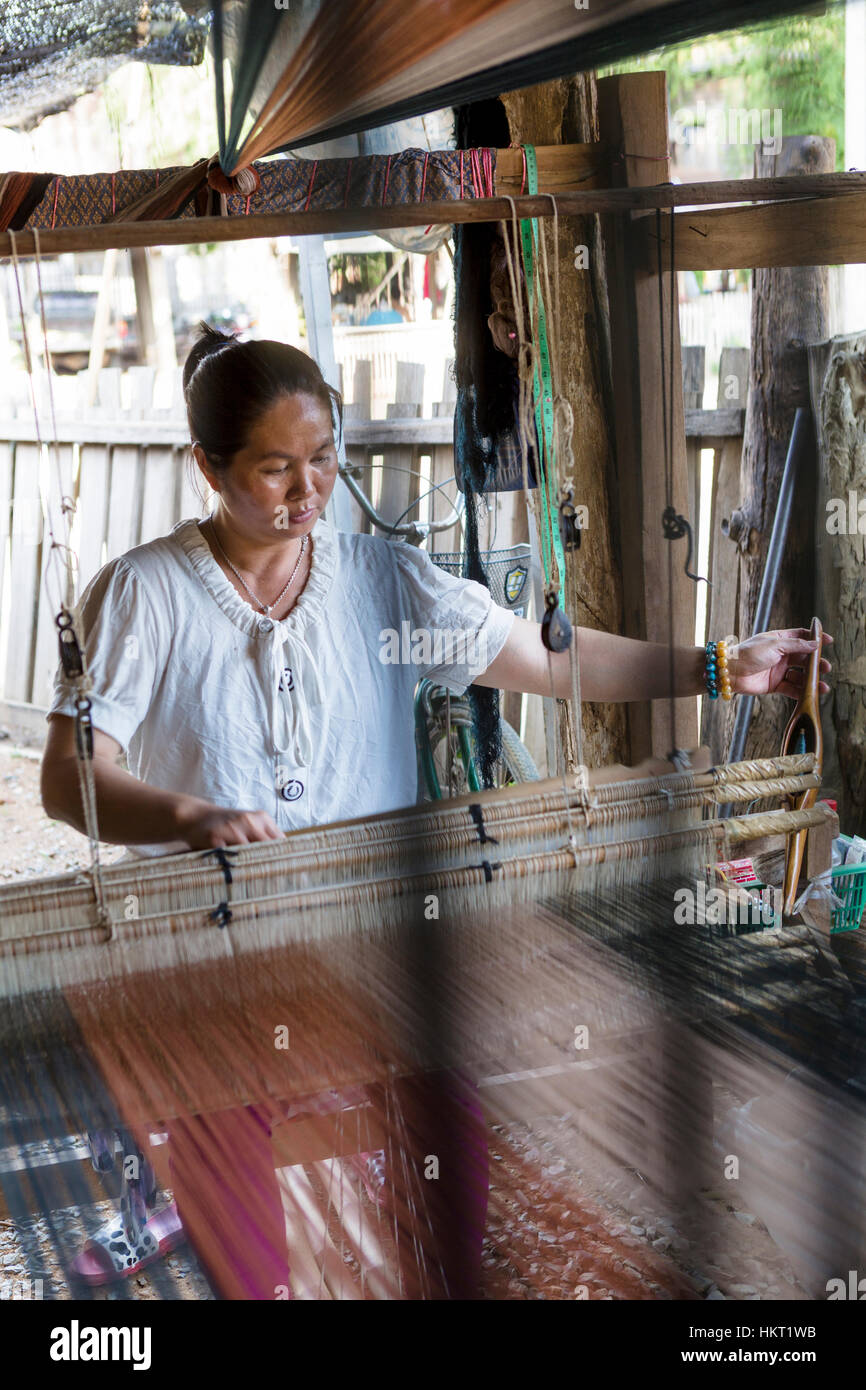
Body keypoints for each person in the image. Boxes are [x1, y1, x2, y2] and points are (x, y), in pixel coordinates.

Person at [40, 324, 832, 1296]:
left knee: (457, 1202)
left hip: (364, 958)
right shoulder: (143, 594)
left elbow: (540, 657)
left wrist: (716, 663)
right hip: (209, 975)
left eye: (324, 460)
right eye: (274, 469)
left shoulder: (380, 584)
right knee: (244, 1260)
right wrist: (189, 816)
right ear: (208, 464)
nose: (308, 492)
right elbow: (68, 777)